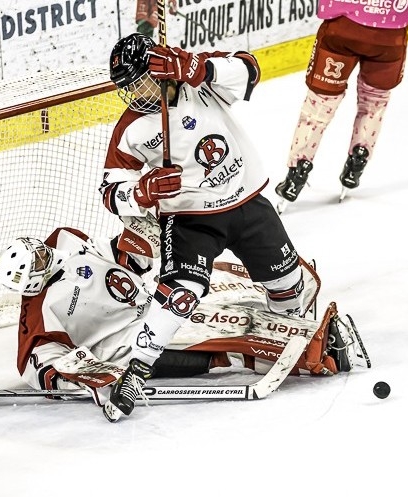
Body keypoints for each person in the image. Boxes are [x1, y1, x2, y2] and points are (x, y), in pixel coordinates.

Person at [99, 32, 313, 421]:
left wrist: (195, 66)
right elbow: (111, 192)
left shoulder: (200, 84)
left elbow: (249, 70)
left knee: (287, 285)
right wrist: (143, 191)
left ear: (157, 69)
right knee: (181, 293)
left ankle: (285, 330)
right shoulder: (131, 128)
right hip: (190, 220)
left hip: (247, 204)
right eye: (125, 87)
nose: (132, 92)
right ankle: (136, 370)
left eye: (138, 80)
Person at [0, 227, 368, 408]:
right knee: (221, 341)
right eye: (37, 264)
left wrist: (133, 242)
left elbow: (115, 257)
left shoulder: (63, 241)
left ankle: (293, 303)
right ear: (30, 283)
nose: (44, 257)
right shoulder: (40, 310)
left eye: (38, 252)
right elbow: (38, 362)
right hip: (129, 342)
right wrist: (91, 379)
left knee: (215, 282)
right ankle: (320, 352)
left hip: (148, 298)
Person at [275, 0, 408, 206]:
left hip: (343, 29)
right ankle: (358, 160)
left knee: (319, 107)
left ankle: (297, 171)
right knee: (374, 102)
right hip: (389, 35)